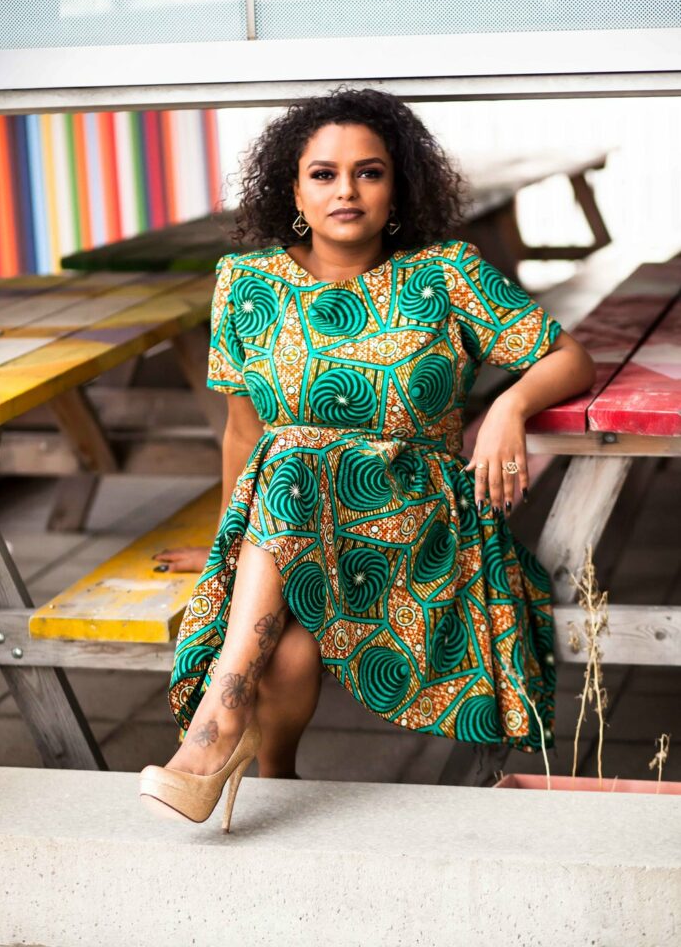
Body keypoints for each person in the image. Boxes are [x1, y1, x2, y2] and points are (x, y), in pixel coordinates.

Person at [139, 85, 596, 829]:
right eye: (322, 173)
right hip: (296, 519)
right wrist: (231, 539)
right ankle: (271, 779)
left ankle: (212, 727)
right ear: (292, 188)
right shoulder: (246, 285)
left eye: (368, 172)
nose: (344, 190)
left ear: (397, 186)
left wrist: (507, 405)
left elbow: (567, 357)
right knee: (283, 642)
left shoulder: (445, 274)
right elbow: (241, 431)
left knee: (294, 454)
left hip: (420, 527)